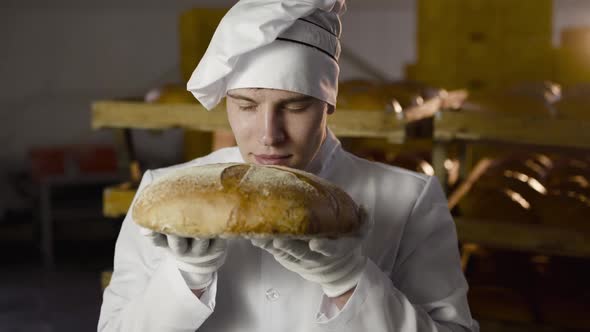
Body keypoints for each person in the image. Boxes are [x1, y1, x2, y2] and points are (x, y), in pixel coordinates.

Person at [98, 0, 479, 331]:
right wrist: (185, 279)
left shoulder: (409, 199)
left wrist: (350, 281)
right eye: (246, 105)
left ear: (328, 104)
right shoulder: (164, 197)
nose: (269, 134)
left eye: (294, 107)